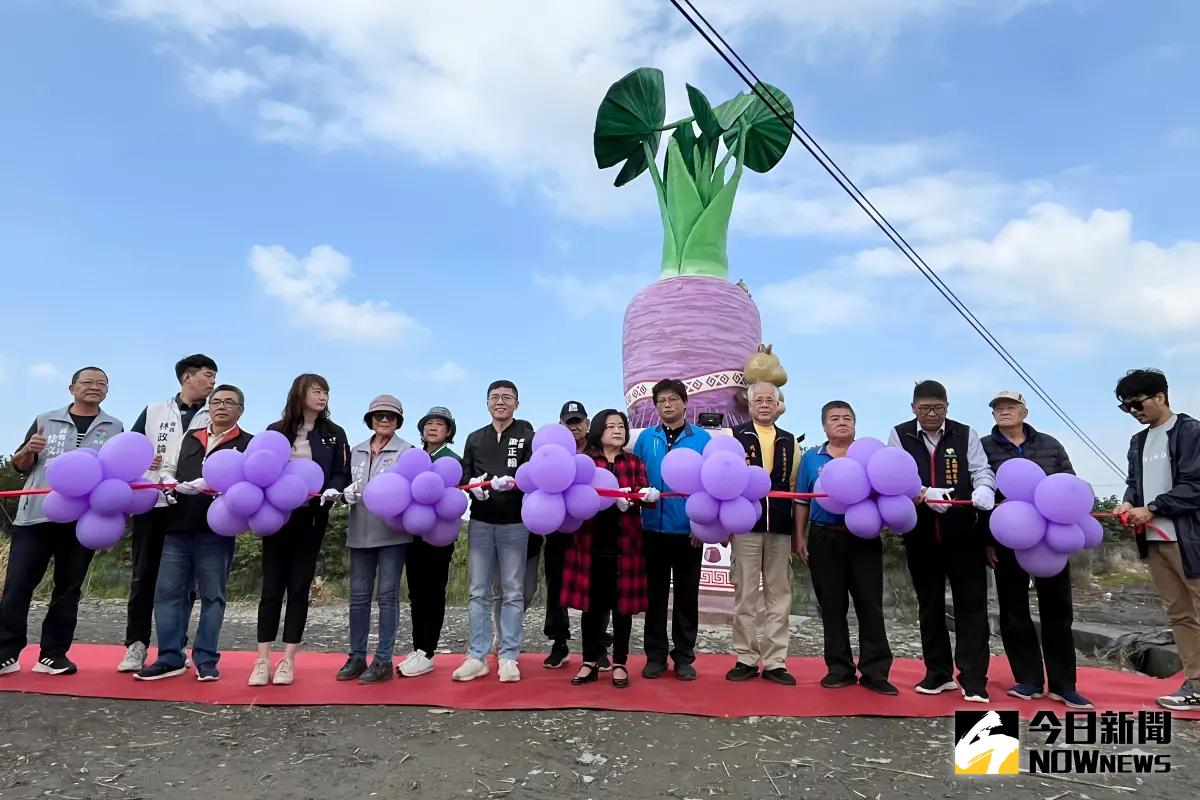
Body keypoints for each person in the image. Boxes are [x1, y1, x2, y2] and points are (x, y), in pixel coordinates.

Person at [0, 367, 123, 677]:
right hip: (36, 516)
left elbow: (118, 471)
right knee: (17, 587)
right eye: (88, 382)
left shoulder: (115, 427)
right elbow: (20, 466)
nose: (94, 387)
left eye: (101, 383)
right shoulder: (45, 419)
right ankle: (6, 653)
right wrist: (28, 450)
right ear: (72, 388)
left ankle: (53, 655)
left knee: (68, 589)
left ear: (107, 391)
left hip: (84, 520)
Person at [981, 390, 1092, 709]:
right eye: (998, 408)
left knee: (1058, 610)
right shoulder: (984, 448)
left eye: (1010, 406)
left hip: (1051, 538)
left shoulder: (1050, 444)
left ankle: (1063, 684)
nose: (1004, 411)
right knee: (1013, 610)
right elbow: (980, 493)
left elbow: (1069, 485)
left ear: (1024, 412)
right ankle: (1028, 679)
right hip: (1007, 537)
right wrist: (985, 541)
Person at [887, 380, 996, 703]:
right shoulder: (900, 434)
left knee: (971, 606)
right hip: (920, 534)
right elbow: (892, 476)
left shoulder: (965, 434)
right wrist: (921, 492)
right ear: (913, 408)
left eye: (938, 408)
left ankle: (974, 679)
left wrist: (984, 489)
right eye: (924, 409)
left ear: (947, 407)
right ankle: (938, 673)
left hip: (964, 534)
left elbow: (982, 470)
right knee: (930, 605)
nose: (931, 414)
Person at [134, 385, 252, 681]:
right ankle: (170, 656)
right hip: (177, 524)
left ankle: (206, 658)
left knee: (212, 596)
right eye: (216, 402)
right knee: (168, 592)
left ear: (241, 410)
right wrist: (168, 478)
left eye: (229, 402)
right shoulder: (191, 436)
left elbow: (250, 485)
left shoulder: (247, 443)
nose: (221, 407)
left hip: (216, 530)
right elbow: (169, 466)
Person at [118, 353, 218, 674]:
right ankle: (136, 644)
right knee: (144, 575)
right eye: (207, 375)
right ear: (187, 377)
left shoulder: (215, 413)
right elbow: (128, 448)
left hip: (191, 504)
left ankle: (175, 645)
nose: (212, 382)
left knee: (183, 582)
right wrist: (140, 463)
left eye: (214, 377)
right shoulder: (154, 410)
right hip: (151, 502)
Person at [251, 374, 350, 686]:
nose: (322, 397)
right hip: (276, 517)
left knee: (298, 587)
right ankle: (262, 658)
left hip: (311, 518)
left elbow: (341, 471)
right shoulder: (275, 431)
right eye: (316, 391)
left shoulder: (334, 433)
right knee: (271, 588)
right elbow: (258, 468)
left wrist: (333, 491)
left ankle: (288, 660)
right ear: (300, 393)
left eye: (326, 392)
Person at [1112, 369, 1200, 712]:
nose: (1134, 412)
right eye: (1126, 408)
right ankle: (1194, 683)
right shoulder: (1138, 442)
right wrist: (1128, 502)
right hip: (1154, 541)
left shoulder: (1191, 432)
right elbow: (1135, 483)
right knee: (1179, 615)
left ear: (1160, 397)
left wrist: (1153, 507)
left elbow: (1195, 486)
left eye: (1137, 403)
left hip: (1189, 539)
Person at [796, 402, 897, 695]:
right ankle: (838, 668)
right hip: (825, 536)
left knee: (870, 604)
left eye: (847, 418)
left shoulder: (869, 456)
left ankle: (875, 671)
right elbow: (802, 500)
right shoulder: (812, 459)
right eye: (834, 419)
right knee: (832, 605)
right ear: (824, 426)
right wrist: (799, 538)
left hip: (863, 537)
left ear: (855, 423)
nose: (842, 423)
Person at [561, 410, 658, 688]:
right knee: (592, 607)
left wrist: (643, 497)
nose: (617, 430)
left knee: (622, 608)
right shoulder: (587, 462)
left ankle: (620, 663)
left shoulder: (635, 462)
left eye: (621, 426)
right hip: (589, 542)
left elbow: (645, 497)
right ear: (599, 430)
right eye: (611, 426)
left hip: (625, 544)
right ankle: (589, 660)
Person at [453, 380, 533, 683]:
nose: (500, 402)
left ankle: (509, 655)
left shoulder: (527, 436)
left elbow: (535, 473)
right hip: (481, 521)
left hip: (515, 522)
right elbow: (465, 473)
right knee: (478, 591)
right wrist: (475, 488)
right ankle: (477, 655)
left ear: (517, 402)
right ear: (487, 403)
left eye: (507, 397)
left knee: (512, 591)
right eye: (495, 397)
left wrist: (515, 483)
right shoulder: (475, 438)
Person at [633, 378, 711, 680]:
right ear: (655, 406)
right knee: (654, 596)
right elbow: (637, 478)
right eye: (661, 401)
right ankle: (654, 655)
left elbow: (709, 483)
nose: (667, 405)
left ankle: (683, 657)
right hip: (651, 529)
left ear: (685, 402)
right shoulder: (645, 439)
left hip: (688, 530)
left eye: (673, 399)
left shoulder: (702, 439)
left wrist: (700, 523)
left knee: (687, 596)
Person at [335, 395, 413, 684]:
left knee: (388, 597)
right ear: (370, 419)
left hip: (392, 536)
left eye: (390, 416)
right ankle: (357, 656)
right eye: (378, 415)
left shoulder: (407, 451)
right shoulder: (354, 451)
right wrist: (344, 493)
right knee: (357, 599)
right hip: (359, 533)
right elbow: (343, 485)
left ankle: (383, 660)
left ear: (398, 421)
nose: (384, 420)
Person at [728, 383, 800, 685]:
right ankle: (745, 656)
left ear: (778, 404)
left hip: (780, 525)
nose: (765, 404)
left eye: (770, 400)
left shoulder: (789, 439)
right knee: (745, 593)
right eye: (759, 399)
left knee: (779, 595)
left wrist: (799, 533)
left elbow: (795, 486)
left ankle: (775, 661)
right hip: (746, 524)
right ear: (749, 403)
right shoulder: (734, 437)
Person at [398, 406, 463, 678]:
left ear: (448, 431)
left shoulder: (453, 459)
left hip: (439, 535)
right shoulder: (413, 456)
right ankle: (418, 647)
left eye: (440, 424)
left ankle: (428, 651)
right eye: (429, 423)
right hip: (413, 532)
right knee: (416, 593)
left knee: (434, 591)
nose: (433, 427)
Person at [541, 401, 589, 670]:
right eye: (569, 422)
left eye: (578, 421)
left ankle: (597, 645)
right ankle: (559, 642)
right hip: (557, 528)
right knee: (556, 586)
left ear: (587, 424)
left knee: (594, 587)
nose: (574, 426)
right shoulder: (550, 454)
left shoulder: (596, 453)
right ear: (560, 425)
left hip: (590, 529)